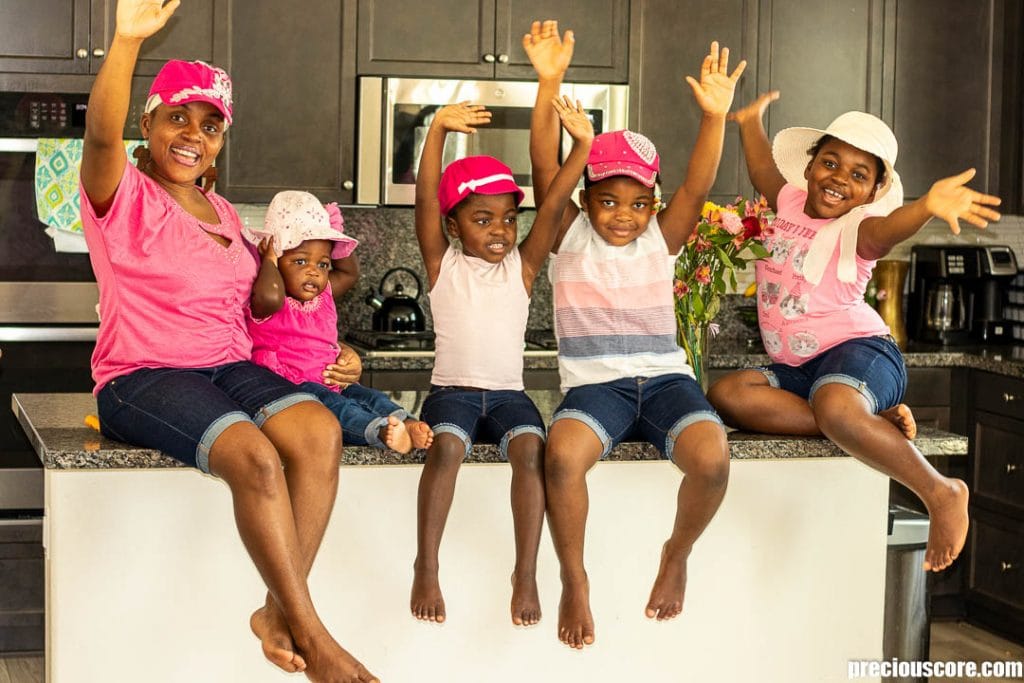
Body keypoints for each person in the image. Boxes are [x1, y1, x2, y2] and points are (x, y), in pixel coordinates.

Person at [78, 1, 378, 681]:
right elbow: (99, 137)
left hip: (228, 366)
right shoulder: (121, 194)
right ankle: (314, 635)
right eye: (178, 117)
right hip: (143, 374)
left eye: (211, 126)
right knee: (257, 458)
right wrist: (126, 40)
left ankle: (275, 611)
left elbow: (266, 310)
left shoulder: (224, 213)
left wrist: (332, 356)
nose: (194, 136)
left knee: (317, 433)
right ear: (148, 122)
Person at [708, 91, 1000, 574]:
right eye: (830, 162)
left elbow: (889, 231)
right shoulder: (789, 201)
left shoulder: (860, 228)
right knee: (729, 393)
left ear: (873, 192)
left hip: (862, 353)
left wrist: (926, 204)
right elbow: (762, 167)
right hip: (799, 368)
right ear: (809, 168)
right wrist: (748, 121)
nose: (839, 178)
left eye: (858, 174)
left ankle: (940, 491)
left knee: (835, 404)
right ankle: (864, 424)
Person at [526, 21, 746, 649]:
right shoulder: (566, 233)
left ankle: (677, 553)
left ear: (652, 202)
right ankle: (574, 577)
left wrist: (714, 118)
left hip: (668, 382)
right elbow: (547, 165)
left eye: (637, 202)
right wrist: (549, 83)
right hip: (597, 389)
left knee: (711, 459)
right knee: (563, 457)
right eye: (608, 201)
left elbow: (699, 186)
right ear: (587, 197)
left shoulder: (661, 236)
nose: (623, 216)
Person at [409, 82, 594, 627]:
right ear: (453, 226)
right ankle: (426, 564)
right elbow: (424, 196)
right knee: (444, 450)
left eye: (508, 219)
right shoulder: (443, 265)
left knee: (532, 452)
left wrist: (580, 147)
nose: (500, 230)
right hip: (455, 394)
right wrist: (439, 129)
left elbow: (556, 202)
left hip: (509, 398)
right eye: (482, 219)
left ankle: (528, 572)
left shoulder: (523, 267)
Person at [245, 190, 434, 454]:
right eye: (300, 261)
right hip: (297, 391)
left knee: (369, 396)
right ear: (275, 262)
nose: (313, 270)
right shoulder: (267, 301)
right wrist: (268, 259)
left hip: (333, 383)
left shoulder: (323, 294)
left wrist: (333, 230)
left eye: (322, 264)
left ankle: (407, 423)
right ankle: (380, 432)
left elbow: (349, 272)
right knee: (341, 411)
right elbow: (269, 294)